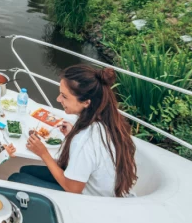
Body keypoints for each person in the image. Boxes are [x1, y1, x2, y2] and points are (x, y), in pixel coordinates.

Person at [8, 65, 137, 197]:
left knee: (16, 179)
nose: (58, 99)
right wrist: (71, 134)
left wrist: (43, 153)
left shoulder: (86, 138)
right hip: (101, 188)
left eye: (64, 96)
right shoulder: (109, 121)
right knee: (25, 170)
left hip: (94, 200)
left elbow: (73, 189)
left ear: (86, 102)